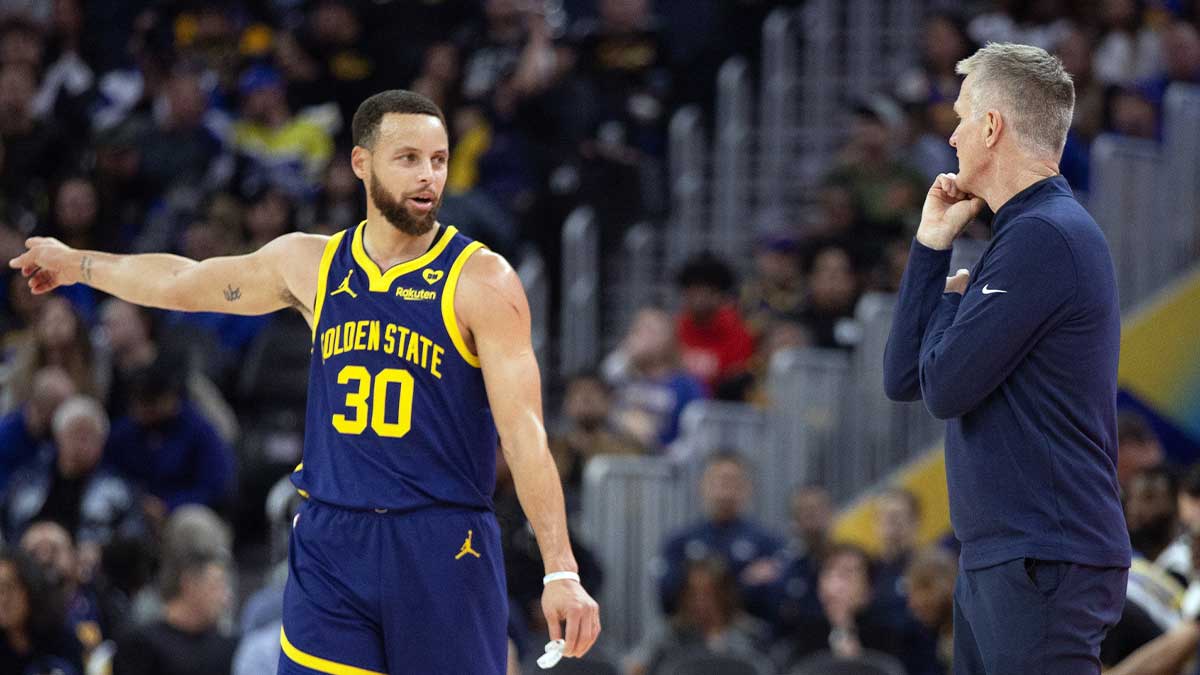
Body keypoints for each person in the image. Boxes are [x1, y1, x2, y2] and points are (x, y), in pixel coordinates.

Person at [10, 88, 599, 674]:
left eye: (439, 159)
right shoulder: (311, 264)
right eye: (409, 159)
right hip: (332, 538)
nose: (429, 177)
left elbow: (525, 436)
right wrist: (78, 263)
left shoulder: (483, 280)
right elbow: (183, 282)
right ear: (361, 163)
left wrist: (561, 570)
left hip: (440, 541)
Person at [883, 43, 1131, 673]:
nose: (952, 136)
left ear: (992, 126)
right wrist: (932, 247)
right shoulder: (1020, 235)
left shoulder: (1045, 236)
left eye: (962, 116)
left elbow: (944, 387)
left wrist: (951, 305)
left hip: (1042, 557)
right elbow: (903, 377)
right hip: (1005, 555)